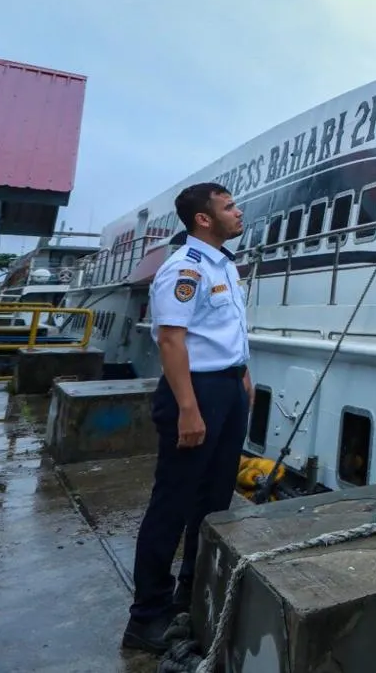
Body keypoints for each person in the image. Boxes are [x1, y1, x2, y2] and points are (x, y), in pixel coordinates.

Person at [122, 182, 253, 655]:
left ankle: (191, 592)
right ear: (203, 218)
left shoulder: (224, 264)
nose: (238, 213)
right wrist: (189, 409)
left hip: (228, 388)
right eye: (229, 207)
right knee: (173, 503)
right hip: (195, 392)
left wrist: (243, 376)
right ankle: (146, 616)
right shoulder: (184, 267)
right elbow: (171, 340)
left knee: (214, 500)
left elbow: (227, 329)